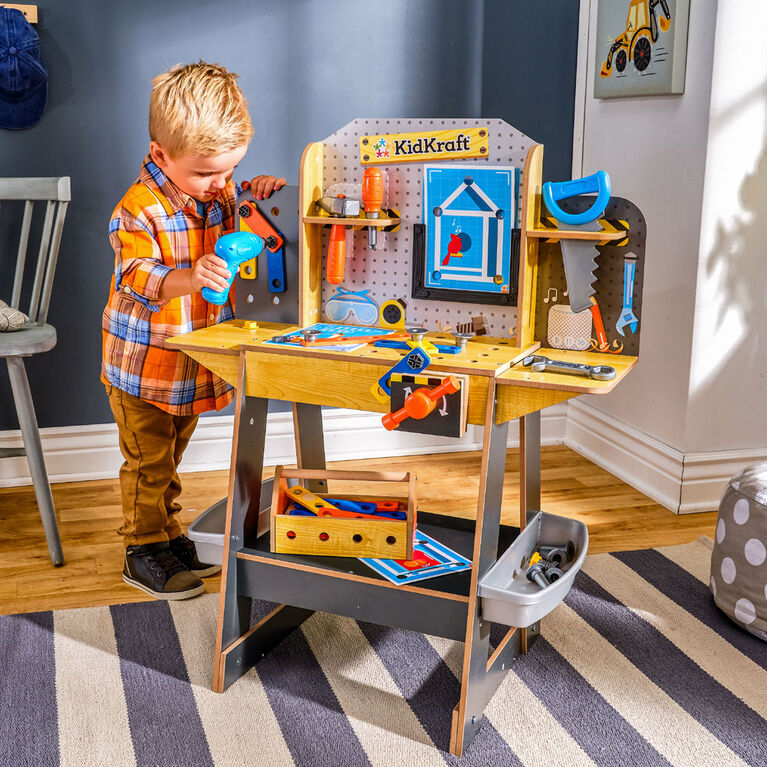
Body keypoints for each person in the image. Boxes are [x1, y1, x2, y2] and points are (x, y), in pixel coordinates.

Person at [102, 61, 285, 600]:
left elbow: (248, 207)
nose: (220, 185)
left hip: (188, 364)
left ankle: (169, 534)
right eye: (208, 173)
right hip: (141, 366)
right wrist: (189, 275)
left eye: (230, 171)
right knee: (148, 460)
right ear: (160, 154)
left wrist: (260, 191)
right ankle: (142, 548)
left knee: (172, 457)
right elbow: (137, 276)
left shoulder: (223, 194)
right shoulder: (139, 210)